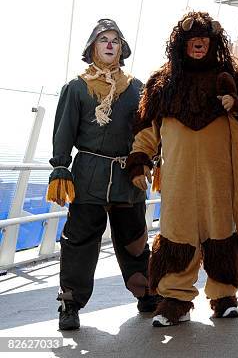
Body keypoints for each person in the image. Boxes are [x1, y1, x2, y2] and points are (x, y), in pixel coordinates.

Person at [126, 11, 238, 327]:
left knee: (221, 231)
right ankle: (175, 299)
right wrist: (139, 160)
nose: (200, 43)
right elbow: (147, 129)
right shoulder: (163, 84)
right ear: (181, 43)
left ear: (214, 43)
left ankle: (224, 296)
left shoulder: (233, 77)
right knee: (177, 233)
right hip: (178, 178)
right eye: (193, 38)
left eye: (206, 38)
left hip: (221, 176)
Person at [47, 19, 159, 331]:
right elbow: (64, 131)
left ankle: (147, 294)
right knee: (78, 244)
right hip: (88, 178)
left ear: (122, 48)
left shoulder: (137, 89)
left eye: (115, 40)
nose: (109, 44)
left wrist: (148, 161)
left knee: (135, 241)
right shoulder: (76, 88)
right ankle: (70, 304)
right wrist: (60, 168)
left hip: (127, 178)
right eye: (103, 40)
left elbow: (148, 130)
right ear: (92, 47)